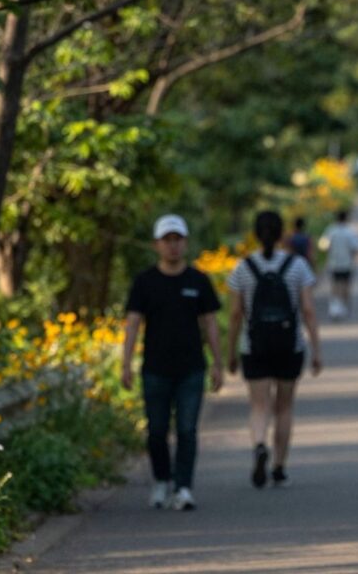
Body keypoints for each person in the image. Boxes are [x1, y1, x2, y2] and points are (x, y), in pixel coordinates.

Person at [122, 214, 223, 511]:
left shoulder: (198, 280)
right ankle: (161, 480)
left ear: (185, 242)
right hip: (155, 369)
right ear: (157, 245)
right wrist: (125, 364)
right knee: (156, 430)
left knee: (188, 430)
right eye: (167, 240)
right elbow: (132, 323)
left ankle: (183, 487)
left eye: (177, 239)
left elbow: (210, 323)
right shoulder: (145, 282)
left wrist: (217, 363)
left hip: (191, 368)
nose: (173, 246)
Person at [227, 211, 322, 488]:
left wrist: (231, 352)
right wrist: (316, 350)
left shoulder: (243, 268)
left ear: (256, 235)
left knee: (259, 406)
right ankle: (279, 467)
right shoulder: (297, 266)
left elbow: (235, 314)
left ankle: (259, 444)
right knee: (284, 407)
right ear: (283, 235)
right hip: (289, 345)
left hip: (254, 346)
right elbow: (307, 310)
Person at [318, 210, 358, 320]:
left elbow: (323, 246)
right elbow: (357, 247)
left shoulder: (331, 230)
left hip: (334, 262)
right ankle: (343, 306)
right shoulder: (350, 231)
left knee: (335, 284)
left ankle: (335, 306)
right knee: (345, 285)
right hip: (347, 263)